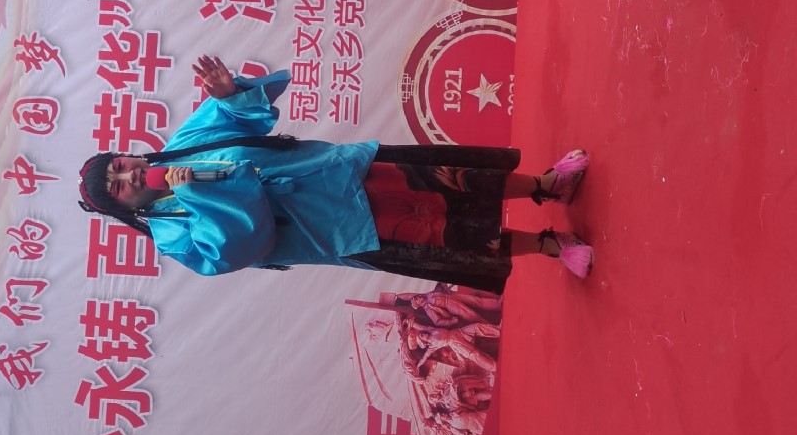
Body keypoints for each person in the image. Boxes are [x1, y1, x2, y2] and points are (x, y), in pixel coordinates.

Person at [78, 55, 594, 290]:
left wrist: (230, 95)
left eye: (119, 167)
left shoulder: (182, 146)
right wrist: (199, 192)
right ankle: (549, 245)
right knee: (450, 235)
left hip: (338, 170)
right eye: (118, 189)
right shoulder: (171, 235)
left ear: (128, 156)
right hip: (336, 229)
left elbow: (245, 120)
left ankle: (545, 186)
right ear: (123, 210)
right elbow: (239, 248)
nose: (127, 178)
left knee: (452, 181)